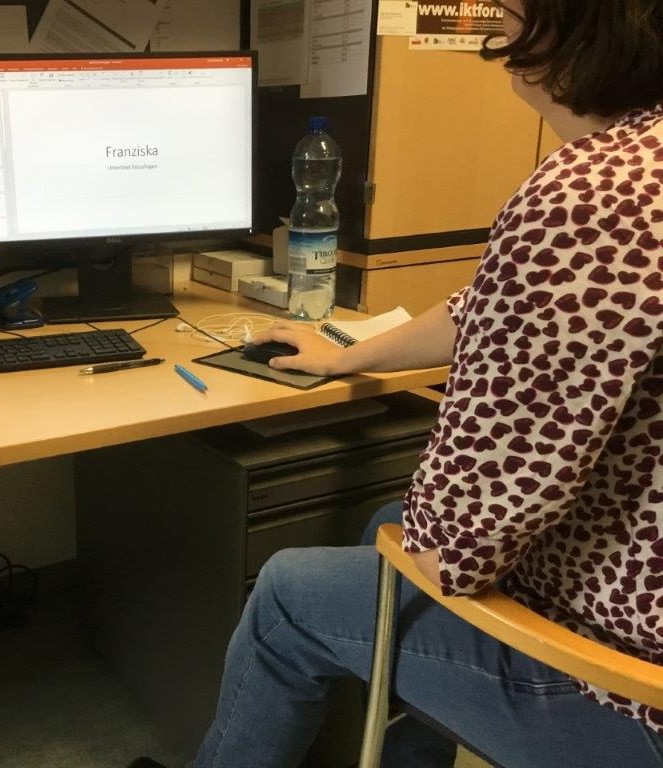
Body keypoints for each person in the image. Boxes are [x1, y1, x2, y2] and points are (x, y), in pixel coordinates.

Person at [130, 0, 663, 765]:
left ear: (575, 28)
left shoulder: (595, 198)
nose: (499, 27)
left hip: (628, 690)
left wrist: (423, 549)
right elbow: (488, 307)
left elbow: (477, 524)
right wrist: (346, 354)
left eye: (511, 11)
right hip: (636, 579)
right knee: (386, 522)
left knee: (290, 592)